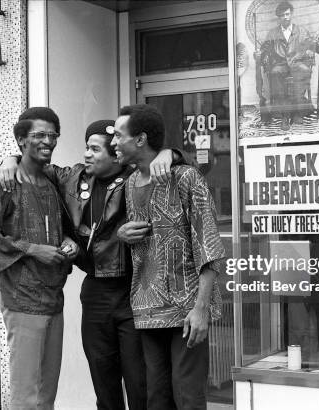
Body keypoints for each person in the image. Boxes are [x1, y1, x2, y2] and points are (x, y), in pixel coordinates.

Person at [0, 119, 188, 410]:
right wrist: (10, 159)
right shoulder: (72, 178)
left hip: (133, 291)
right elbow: (34, 162)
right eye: (87, 147)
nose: (87, 154)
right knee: (103, 379)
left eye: (95, 150)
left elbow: (178, 170)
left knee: (140, 382)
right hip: (95, 291)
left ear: (116, 154)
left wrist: (171, 153)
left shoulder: (137, 178)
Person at [113, 104, 225, 410]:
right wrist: (120, 235)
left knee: (188, 398)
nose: (112, 143)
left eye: (118, 135)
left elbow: (209, 246)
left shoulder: (187, 178)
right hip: (146, 312)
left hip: (186, 310)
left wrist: (201, 308)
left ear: (140, 139)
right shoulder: (128, 185)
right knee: (157, 399)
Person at [0, 107, 77, 410]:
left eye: (53, 135)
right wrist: (32, 249)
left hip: (54, 298)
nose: (48, 141)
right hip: (22, 299)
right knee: (25, 395)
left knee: (47, 392)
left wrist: (67, 242)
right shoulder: (8, 182)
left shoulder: (53, 182)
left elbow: (64, 225)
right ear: (21, 141)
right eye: (39, 135)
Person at [254, 1, 319, 130]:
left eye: (287, 14)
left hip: (297, 63)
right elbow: (264, 51)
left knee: (303, 70)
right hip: (280, 64)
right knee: (275, 73)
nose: (285, 17)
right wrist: (258, 54)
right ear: (278, 17)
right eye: (282, 15)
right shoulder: (272, 34)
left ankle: (297, 112)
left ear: (291, 14)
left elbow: (315, 48)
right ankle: (285, 116)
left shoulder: (301, 31)